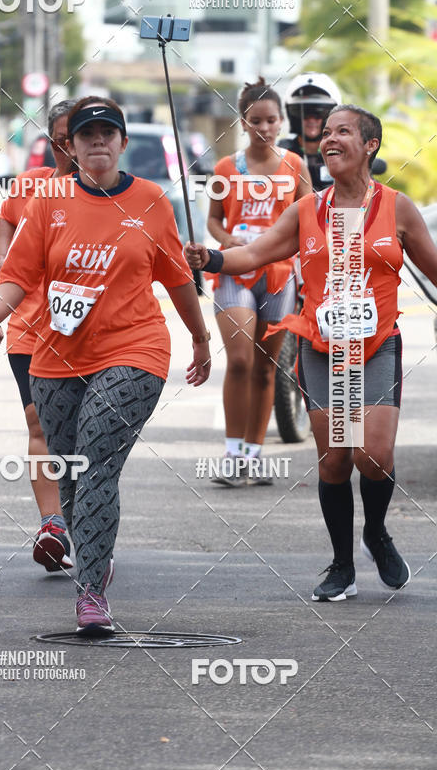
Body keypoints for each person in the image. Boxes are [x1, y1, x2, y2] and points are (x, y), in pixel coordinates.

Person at [0, 96, 211, 633]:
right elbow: (19, 272)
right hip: (55, 357)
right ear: (71, 146)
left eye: (108, 133)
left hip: (135, 349)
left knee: (99, 460)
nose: (97, 141)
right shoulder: (48, 201)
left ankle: (91, 592)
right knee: (74, 473)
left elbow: (177, 279)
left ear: (123, 143)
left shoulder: (151, 201)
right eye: (86, 135)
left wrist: (200, 338)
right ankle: (91, 560)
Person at [186, 104, 437, 600]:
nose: (329, 139)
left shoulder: (398, 208)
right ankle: (342, 565)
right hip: (323, 349)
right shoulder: (308, 210)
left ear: (370, 145)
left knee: (374, 455)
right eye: (326, 133)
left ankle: (377, 533)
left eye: (343, 132)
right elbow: (256, 254)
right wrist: (212, 257)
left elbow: (433, 267)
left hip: (377, 346)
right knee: (335, 462)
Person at [0, 100, 77, 574]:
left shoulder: (108, 194)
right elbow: (6, 219)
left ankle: (88, 521)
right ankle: (52, 525)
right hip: (28, 326)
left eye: (76, 137)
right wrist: (2, 258)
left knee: (82, 433)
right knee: (39, 423)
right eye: (60, 138)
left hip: (87, 333)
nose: (69, 148)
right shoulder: (30, 185)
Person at [208, 78, 311, 487]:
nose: (264, 128)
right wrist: (225, 238)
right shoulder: (224, 168)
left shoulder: (294, 166)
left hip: (279, 276)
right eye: (255, 121)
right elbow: (214, 220)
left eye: (271, 120)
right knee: (238, 361)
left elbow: (311, 216)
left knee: (267, 369)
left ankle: (254, 455)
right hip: (235, 272)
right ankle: (233, 456)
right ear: (243, 122)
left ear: (282, 122)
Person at [279, 72, 342, 192]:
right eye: (304, 114)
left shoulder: (344, 151)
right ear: (293, 116)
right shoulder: (281, 153)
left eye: (319, 113)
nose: (312, 120)